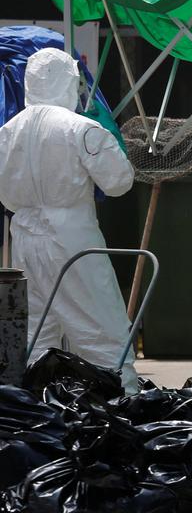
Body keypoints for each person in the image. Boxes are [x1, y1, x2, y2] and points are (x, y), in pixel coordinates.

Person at [0, 49, 137, 392]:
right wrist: (107, 137)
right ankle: (122, 401)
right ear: (68, 81)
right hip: (72, 237)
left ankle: (35, 405)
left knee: (35, 329)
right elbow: (119, 183)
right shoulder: (81, 129)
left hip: (25, 239)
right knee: (101, 325)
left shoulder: (7, 131)